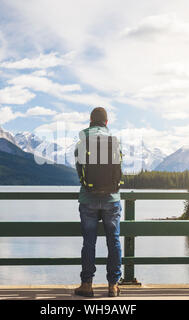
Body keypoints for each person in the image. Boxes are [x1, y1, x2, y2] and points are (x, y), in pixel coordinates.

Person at [73, 107, 123, 297]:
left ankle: (87, 285)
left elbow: (80, 172)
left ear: (90, 121)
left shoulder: (82, 143)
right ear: (106, 122)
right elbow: (118, 171)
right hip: (112, 199)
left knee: (89, 243)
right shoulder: (115, 142)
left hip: (88, 199)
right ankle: (113, 285)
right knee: (114, 241)